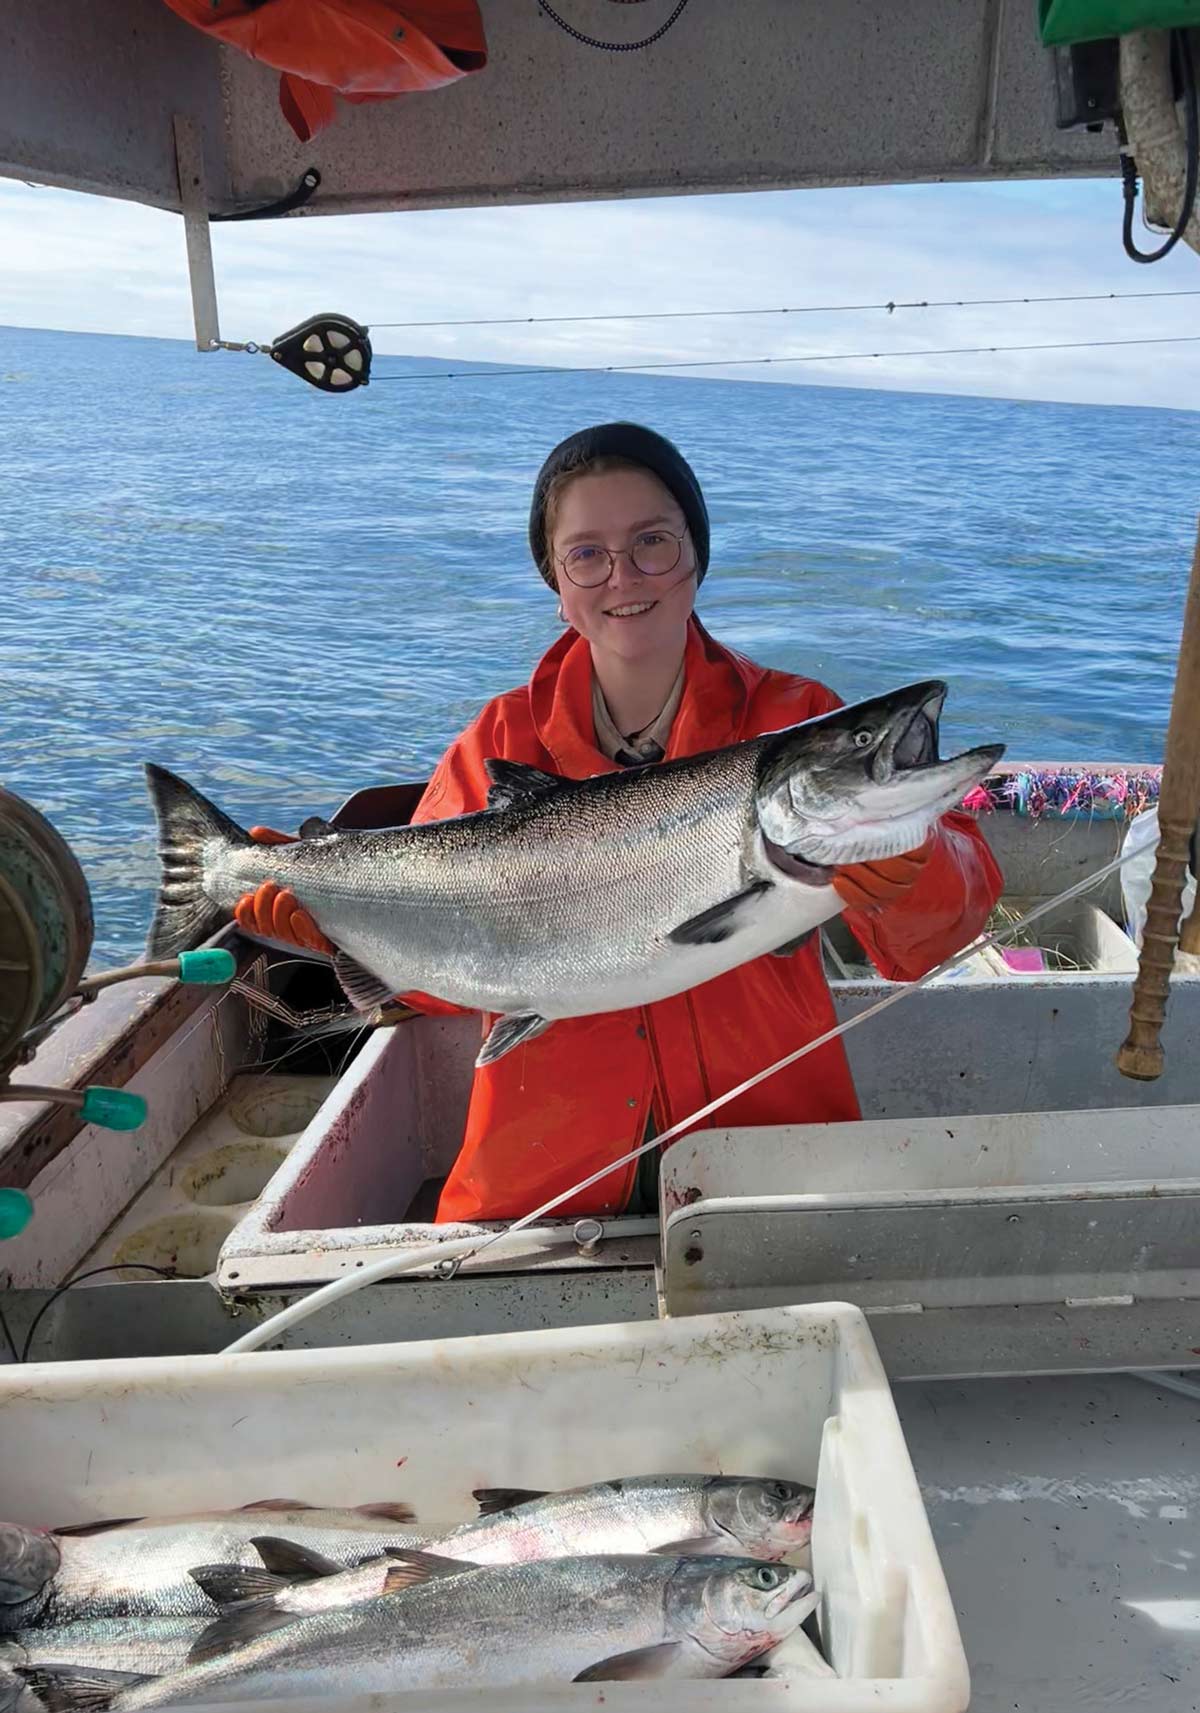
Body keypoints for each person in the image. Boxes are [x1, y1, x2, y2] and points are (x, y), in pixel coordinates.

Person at [235, 423, 1002, 1222]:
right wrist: (344, 933)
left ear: (696, 555)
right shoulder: (498, 744)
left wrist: (920, 864)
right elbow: (447, 990)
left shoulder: (796, 716)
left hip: (771, 1160)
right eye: (587, 554)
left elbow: (936, 943)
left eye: (653, 542)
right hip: (543, 1182)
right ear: (557, 583)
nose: (623, 575)